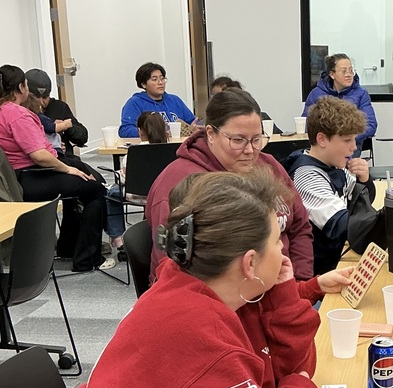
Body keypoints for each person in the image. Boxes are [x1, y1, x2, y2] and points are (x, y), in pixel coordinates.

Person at [42, 170, 332, 388]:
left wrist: (282, 292)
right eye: (276, 241)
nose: (283, 251)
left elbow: (289, 367)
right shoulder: (193, 326)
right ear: (250, 263)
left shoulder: (218, 293)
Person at [147, 88, 314, 283]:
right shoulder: (182, 184)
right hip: (229, 299)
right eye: (238, 140)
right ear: (210, 133)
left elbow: (300, 227)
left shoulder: (267, 165)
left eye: (257, 139)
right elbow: (173, 268)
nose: (250, 150)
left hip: (282, 287)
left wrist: (299, 283)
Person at [0, 64, 112, 272]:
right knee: (95, 189)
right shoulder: (17, 114)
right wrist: (66, 169)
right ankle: (87, 259)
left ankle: (68, 246)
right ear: (21, 87)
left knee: (85, 177)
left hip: (13, 177)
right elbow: (39, 156)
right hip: (30, 177)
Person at [284, 97, 373, 274]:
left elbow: (360, 206)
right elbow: (342, 225)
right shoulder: (306, 176)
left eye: (354, 140)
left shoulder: (333, 164)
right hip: (318, 273)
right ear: (322, 139)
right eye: (347, 140)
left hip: (335, 261)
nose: (353, 148)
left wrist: (364, 181)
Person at [105, 111, 170, 256]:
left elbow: (125, 179)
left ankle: (118, 238)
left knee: (111, 193)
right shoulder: (170, 150)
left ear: (140, 131)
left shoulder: (134, 152)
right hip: (162, 195)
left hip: (136, 195)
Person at [302, 53, 377, 156]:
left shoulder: (361, 93)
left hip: (350, 145)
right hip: (323, 144)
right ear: (332, 74)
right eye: (344, 71)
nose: (349, 74)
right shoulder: (316, 94)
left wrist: (346, 138)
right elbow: (307, 122)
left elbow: (371, 125)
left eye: (351, 70)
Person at [119, 62, 198, 138]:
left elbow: (193, 121)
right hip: (152, 148)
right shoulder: (135, 103)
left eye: (162, 78)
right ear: (143, 84)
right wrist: (153, 133)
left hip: (178, 147)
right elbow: (125, 130)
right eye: (154, 79)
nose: (160, 83)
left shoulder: (175, 100)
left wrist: (195, 128)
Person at [25, 68, 88, 157]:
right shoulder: (22, 112)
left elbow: (83, 137)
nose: (41, 102)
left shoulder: (59, 107)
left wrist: (65, 126)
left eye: (45, 97)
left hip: (65, 158)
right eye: (36, 97)